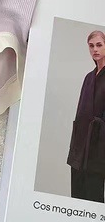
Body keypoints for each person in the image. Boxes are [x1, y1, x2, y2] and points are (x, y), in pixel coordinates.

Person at [67, 31, 105, 203]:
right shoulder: (88, 78)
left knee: (93, 198)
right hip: (80, 146)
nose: (95, 49)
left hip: (99, 147)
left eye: (99, 45)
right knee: (77, 197)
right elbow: (80, 112)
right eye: (91, 46)